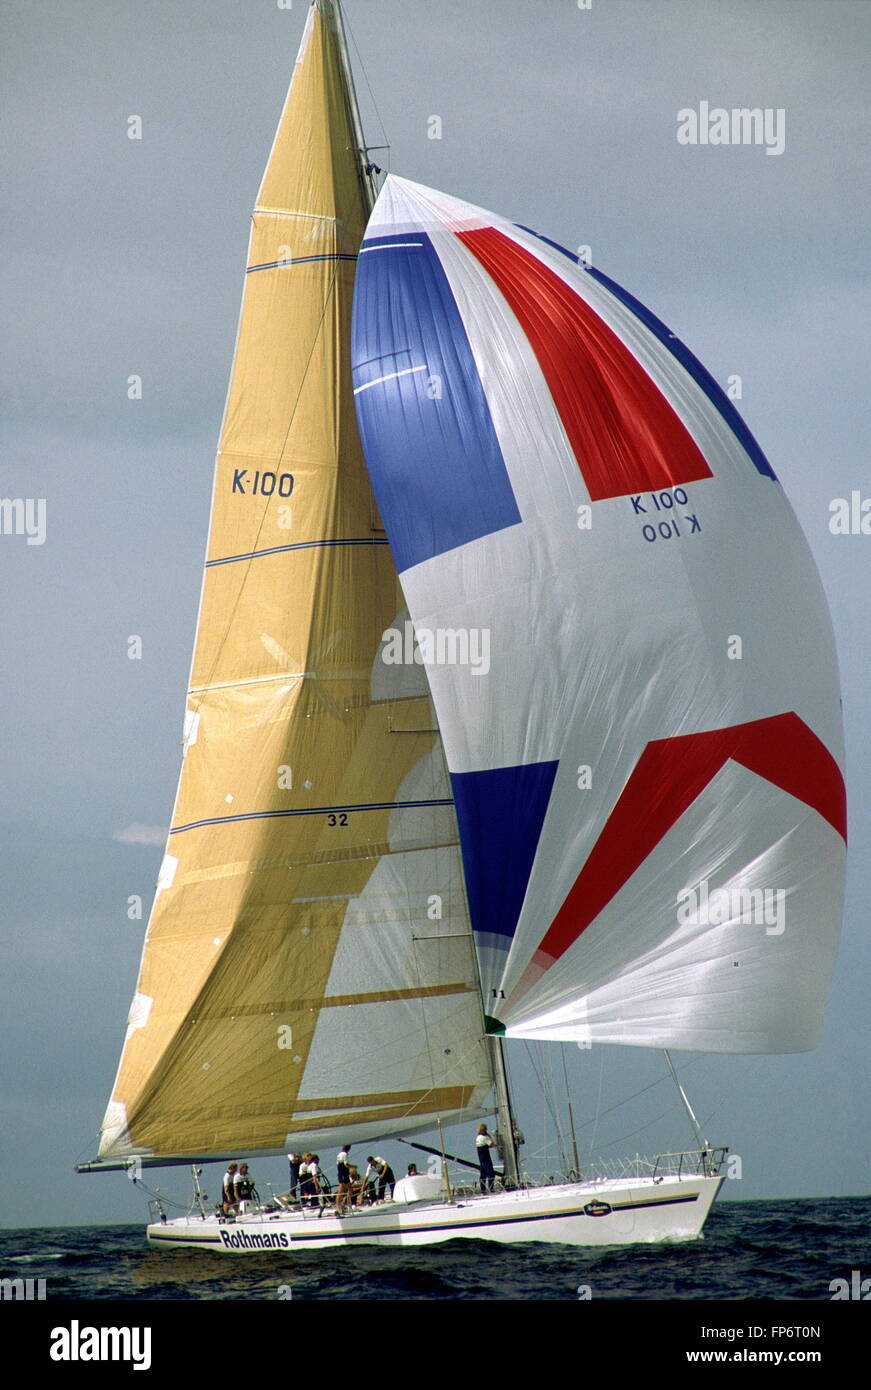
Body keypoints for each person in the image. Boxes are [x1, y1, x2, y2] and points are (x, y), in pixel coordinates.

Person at [476, 1124, 496, 1194]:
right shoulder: (484, 1138)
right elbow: (491, 1144)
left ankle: (483, 1190)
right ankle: (491, 1189)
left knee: (483, 1175)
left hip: (481, 1159)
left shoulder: (478, 1137)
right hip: (486, 1158)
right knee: (491, 1174)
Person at [335, 1143, 352, 1214]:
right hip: (343, 1173)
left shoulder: (338, 1154)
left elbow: (336, 1165)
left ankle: (347, 1205)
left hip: (343, 1173)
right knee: (340, 1191)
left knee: (350, 1189)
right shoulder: (345, 1154)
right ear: (348, 1149)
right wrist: (354, 1167)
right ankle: (337, 1207)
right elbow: (346, 1164)